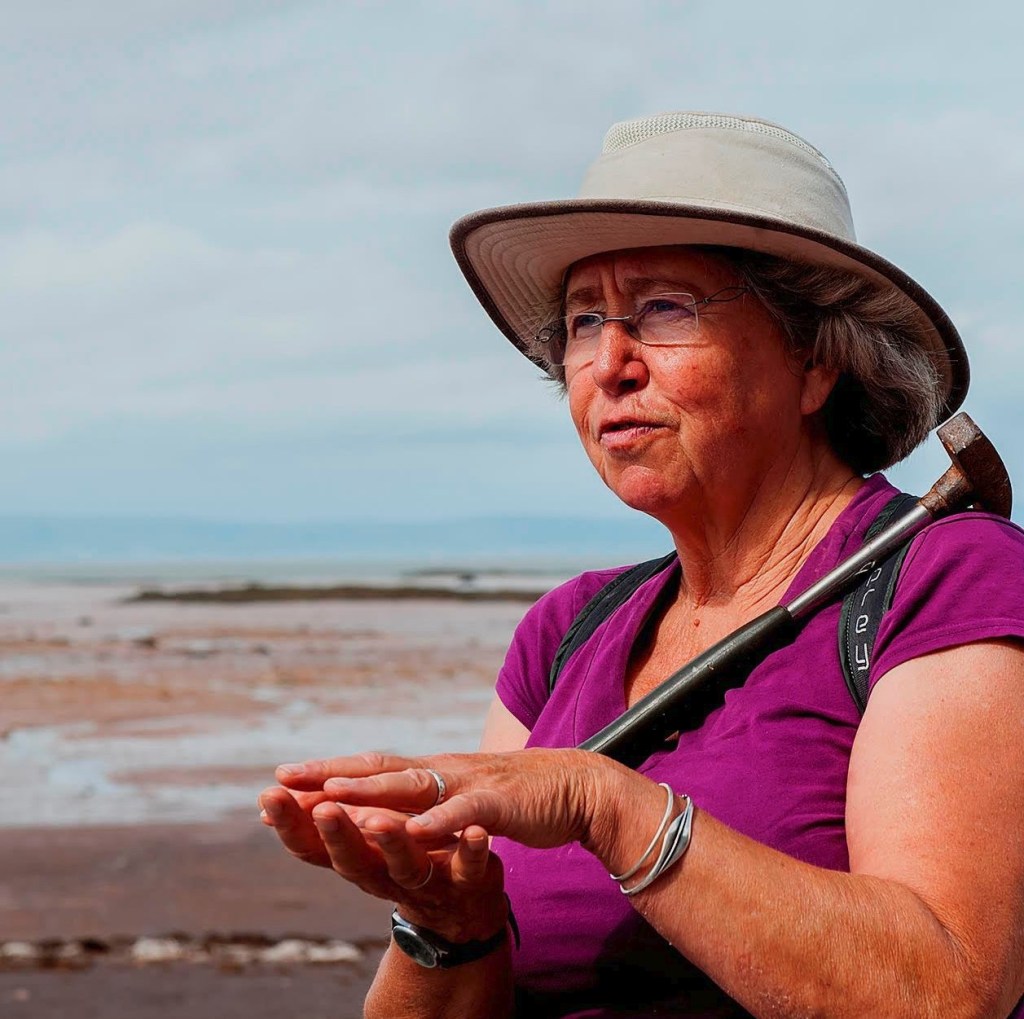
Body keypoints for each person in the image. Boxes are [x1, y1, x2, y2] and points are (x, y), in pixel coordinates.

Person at [259, 112, 1024, 1017]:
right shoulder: (566, 630)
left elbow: (946, 987)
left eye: (663, 308)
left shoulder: (954, 577)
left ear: (815, 358)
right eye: (585, 321)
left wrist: (610, 806)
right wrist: (445, 921)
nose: (610, 364)